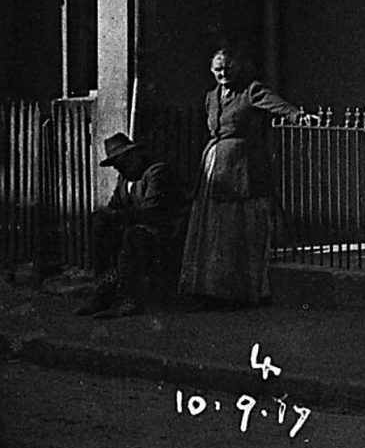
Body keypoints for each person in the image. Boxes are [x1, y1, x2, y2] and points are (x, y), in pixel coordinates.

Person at [178, 47, 301, 306]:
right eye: (218, 69)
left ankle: (237, 291)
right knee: (212, 230)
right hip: (213, 166)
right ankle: (209, 289)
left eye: (228, 68)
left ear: (237, 68)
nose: (223, 73)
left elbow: (273, 102)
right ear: (212, 71)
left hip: (239, 167)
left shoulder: (250, 90)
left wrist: (295, 114)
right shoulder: (211, 97)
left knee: (236, 228)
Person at [74, 132, 177, 317]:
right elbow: (115, 206)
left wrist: (117, 217)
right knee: (102, 228)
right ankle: (103, 293)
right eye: (117, 166)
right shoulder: (124, 179)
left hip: (162, 234)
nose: (120, 169)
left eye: (124, 163)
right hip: (136, 227)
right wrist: (106, 216)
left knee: (132, 235)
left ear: (135, 155)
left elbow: (151, 212)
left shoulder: (155, 172)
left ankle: (128, 300)